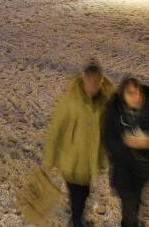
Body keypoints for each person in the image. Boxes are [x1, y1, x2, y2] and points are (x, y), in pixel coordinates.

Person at [44, 63, 114, 227]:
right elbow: (56, 130)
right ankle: (76, 222)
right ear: (83, 79)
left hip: (90, 162)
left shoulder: (105, 103)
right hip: (70, 161)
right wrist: (49, 158)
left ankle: (76, 217)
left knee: (84, 193)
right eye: (89, 82)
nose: (92, 87)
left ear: (101, 81)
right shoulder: (70, 101)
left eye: (95, 83)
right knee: (77, 197)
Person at [103, 77, 149, 227]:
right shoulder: (114, 112)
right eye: (130, 93)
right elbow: (108, 139)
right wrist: (126, 143)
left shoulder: (147, 107)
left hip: (143, 166)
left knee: (134, 199)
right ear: (123, 95)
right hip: (123, 167)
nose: (135, 97)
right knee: (129, 202)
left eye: (137, 93)